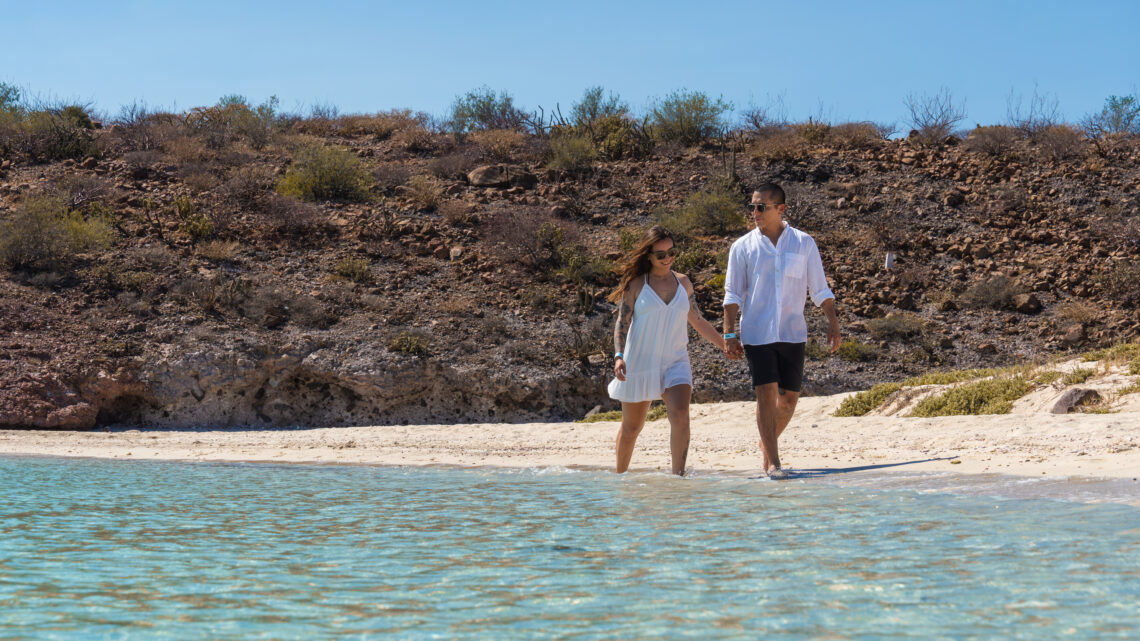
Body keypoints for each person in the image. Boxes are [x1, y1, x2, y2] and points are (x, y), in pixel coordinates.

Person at [723, 183, 841, 479]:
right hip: (757, 333)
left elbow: (819, 288)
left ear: (781, 209)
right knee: (766, 392)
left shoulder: (803, 243)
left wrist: (833, 322)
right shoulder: (742, 247)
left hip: (792, 332)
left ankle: (766, 443)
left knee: (788, 400)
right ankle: (774, 462)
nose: (755, 212)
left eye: (761, 207)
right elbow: (732, 294)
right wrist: (728, 333)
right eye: (752, 206)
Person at [608, 226, 725, 476]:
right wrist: (619, 356)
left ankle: (678, 477)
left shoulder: (683, 283)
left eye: (672, 252)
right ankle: (619, 480)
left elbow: (698, 320)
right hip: (640, 362)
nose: (667, 258)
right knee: (632, 428)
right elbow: (622, 322)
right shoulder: (637, 285)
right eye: (661, 254)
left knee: (681, 413)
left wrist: (724, 344)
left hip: (675, 360)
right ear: (648, 255)